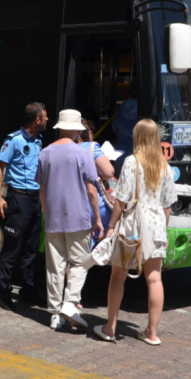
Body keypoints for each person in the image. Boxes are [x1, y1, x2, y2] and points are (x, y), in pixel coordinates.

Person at [92, 118, 177, 346]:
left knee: (118, 275)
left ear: (137, 137)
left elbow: (121, 200)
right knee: (155, 278)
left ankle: (110, 328)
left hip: (133, 227)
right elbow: (167, 206)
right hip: (157, 225)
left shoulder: (131, 162)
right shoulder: (165, 166)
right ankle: (151, 333)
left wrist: (111, 227)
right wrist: (165, 232)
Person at [36, 109, 103, 330]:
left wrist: (47, 212)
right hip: (78, 216)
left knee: (54, 266)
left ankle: (55, 313)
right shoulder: (82, 154)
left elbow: (42, 189)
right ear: (77, 129)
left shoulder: (45, 153)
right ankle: (70, 302)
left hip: (53, 217)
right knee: (81, 262)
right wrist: (98, 220)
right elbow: (92, 190)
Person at [0, 102, 49, 312]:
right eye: (45, 117)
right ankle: (5, 292)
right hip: (18, 198)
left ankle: (28, 288)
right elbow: (0, 168)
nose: (47, 120)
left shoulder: (39, 140)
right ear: (37, 120)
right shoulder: (14, 140)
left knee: (31, 248)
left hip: (35, 200)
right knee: (11, 248)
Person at [78, 118, 115, 250]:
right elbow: (108, 172)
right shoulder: (91, 146)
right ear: (87, 132)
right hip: (91, 208)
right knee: (119, 214)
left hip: (68, 208)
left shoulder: (59, 148)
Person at [112, 93, 138, 177]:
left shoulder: (121, 107)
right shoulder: (143, 108)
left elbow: (115, 131)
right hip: (137, 153)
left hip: (119, 152)